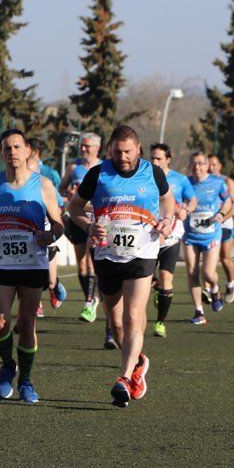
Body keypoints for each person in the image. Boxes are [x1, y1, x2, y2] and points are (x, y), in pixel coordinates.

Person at [69, 126, 173, 407]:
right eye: (117, 151)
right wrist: (89, 226)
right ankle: (138, 362)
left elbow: (166, 198)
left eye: (128, 151)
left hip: (143, 251)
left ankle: (124, 378)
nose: (123, 157)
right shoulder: (98, 173)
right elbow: (75, 206)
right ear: (109, 150)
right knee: (114, 321)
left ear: (138, 149)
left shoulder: (152, 172)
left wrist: (167, 218)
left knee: (132, 315)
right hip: (106, 254)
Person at [0, 129, 63, 404]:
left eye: (16, 147)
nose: (12, 152)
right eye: (6, 148)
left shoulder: (44, 185)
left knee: (27, 324)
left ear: (27, 151)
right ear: (1, 153)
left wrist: (50, 235)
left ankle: (25, 380)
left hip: (32, 263)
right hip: (1, 261)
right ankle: (7, 365)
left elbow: (59, 223)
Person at [149, 143, 196, 338]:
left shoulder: (180, 180)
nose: (154, 161)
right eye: (152, 157)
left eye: (159, 158)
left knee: (167, 278)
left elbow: (192, 200)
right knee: (146, 282)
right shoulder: (145, 176)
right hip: (149, 239)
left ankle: (160, 322)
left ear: (168, 159)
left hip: (171, 238)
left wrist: (186, 210)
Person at [183, 152, 231, 325]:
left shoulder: (218, 183)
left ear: (207, 165)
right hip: (190, 235)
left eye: (201, 163)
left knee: (208, 273)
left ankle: (215, 289)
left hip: (211, 234)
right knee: (192, 273)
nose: (197, 167)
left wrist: (221, 214)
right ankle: (199, 311)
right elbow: (175, 201)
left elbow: (228, 202)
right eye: (194, 164)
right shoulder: (186, 182)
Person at [59, 132, 101, 322]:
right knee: (81, 262)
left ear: (97, 148)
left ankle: (91, 302)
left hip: (96, 219)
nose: (83, 149)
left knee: (92, 262)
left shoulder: (103, 168)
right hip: (77, 218)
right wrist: (69, 193)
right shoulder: (73, 167)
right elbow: (61, 188)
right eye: (82, 146)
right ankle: (88, 299)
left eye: (87, 146)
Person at [27, 138, 67, 313]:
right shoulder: (17, 186)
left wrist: (53, 227)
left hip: (47, 240)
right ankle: (36, 304)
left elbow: (60, 206)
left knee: (49, 281)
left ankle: (55, 285)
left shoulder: (46, 185)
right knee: (30, 277)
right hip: (28, 241)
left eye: (32, 170)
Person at [208, 155, 234, 303]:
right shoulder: (203, 182)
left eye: (214, 164)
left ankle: (230, 283)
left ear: (220, 166)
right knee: (209, 260)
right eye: (209, 165)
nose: (211, 168)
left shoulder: (227, 181)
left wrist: (223, 218)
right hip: (208, 226)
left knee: (225, 258)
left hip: (224, 224)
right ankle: (210, 289)